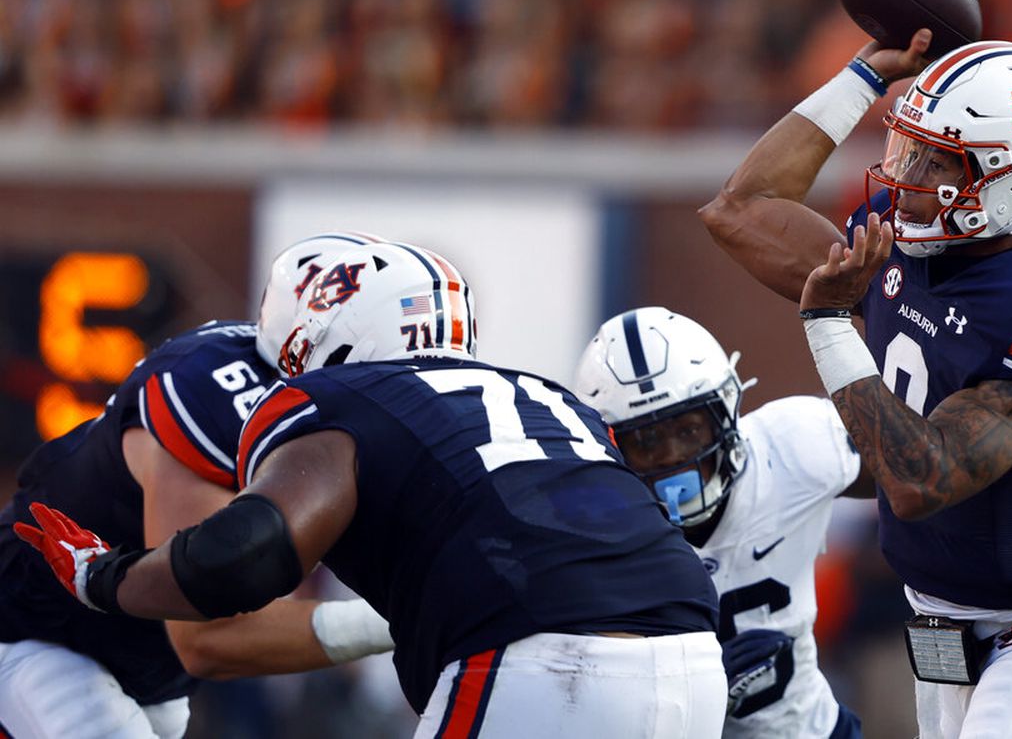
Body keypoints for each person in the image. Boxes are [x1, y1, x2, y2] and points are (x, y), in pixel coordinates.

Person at [16, 241, 728, 738]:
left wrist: (105, 579)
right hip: (696, 660)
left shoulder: (343, 401)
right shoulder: (541, 394)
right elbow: (209, 640)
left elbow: (240, 556)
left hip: (535, 655)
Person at [700, 30, 1012, 738]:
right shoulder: (904, 247)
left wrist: (830, 322)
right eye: (911, 148)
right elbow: (739, 208)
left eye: (937, 161)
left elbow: (921, 478)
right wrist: (861, 77)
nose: (907, 176)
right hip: (940, 623)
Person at [0, 231, 394, 739]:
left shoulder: (328, 419)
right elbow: (207, 635)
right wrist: (395, 622)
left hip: (148, 672)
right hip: (40, 630)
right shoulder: (213, 397)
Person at [574, 306, 867, 738]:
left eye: (688, 430)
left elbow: (914, 476)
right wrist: (699, 687)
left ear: (724, 413)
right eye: (647, 440)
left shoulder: (794, 448)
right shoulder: (588, 537)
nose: (673, 456)